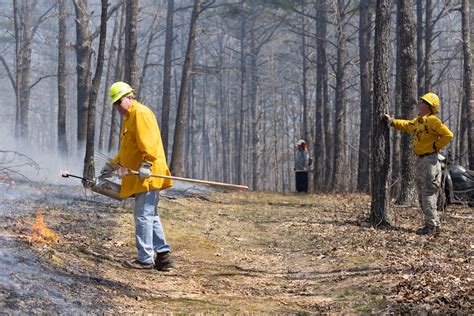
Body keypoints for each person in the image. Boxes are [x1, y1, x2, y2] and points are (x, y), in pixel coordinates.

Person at [101, 81, 174, 270]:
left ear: (129, 97)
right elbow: (127, 150)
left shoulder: (140, 114)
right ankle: (163, 256)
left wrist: (146, 164)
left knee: (143, 215)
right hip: (142, 175)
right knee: (150, 214)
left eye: (119, 102)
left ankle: (145, 259)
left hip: (148, 174)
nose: (118, 107)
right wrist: (112, 164)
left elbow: (148, 144)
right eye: (115, 104)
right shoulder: (129, 118)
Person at [384, 92, 453, 235]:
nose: (419, 103)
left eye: (423, 101)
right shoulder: (418, 122)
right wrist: (391, 121)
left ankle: (432, 226)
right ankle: (433, 224)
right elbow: (406, 125)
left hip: (431, 161)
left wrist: (435, 146)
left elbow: (448, 135)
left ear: (428, 107)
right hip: (421, 160)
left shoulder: (432, 121)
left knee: (428, 193)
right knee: (422, 194)